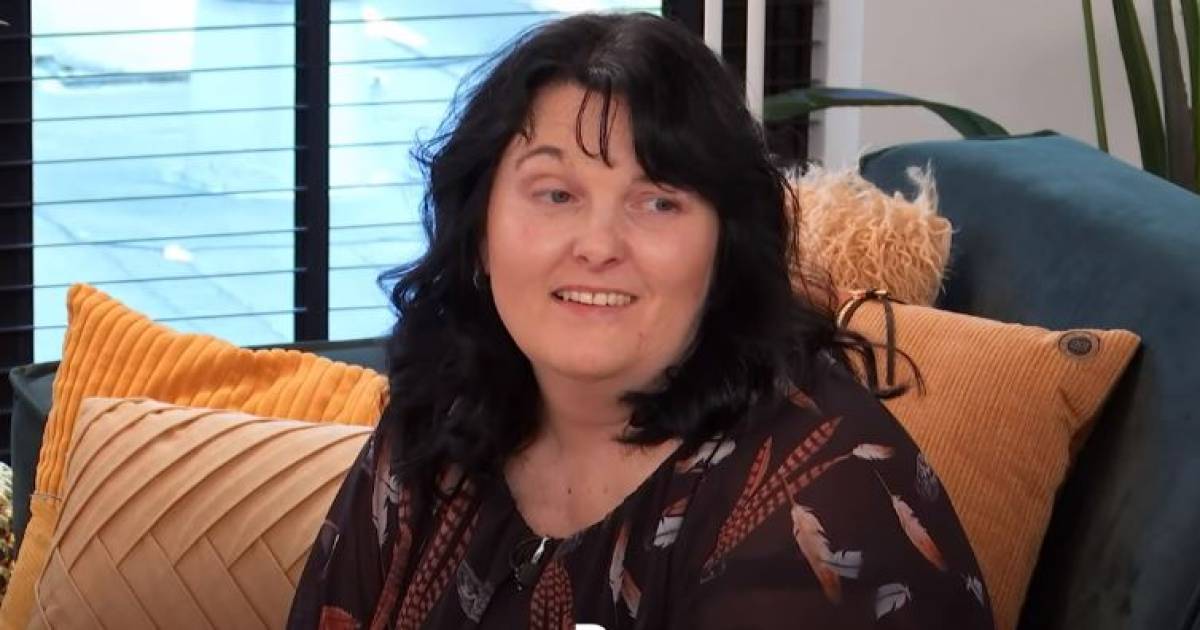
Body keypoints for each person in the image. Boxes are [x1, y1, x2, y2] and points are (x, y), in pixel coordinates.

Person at [288, 11, 994, 630]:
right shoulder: (443, 411)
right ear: (479, 232)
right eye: (556, 194)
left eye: (658, 201)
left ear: (725, 246)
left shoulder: (822, 511)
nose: (598, 246)